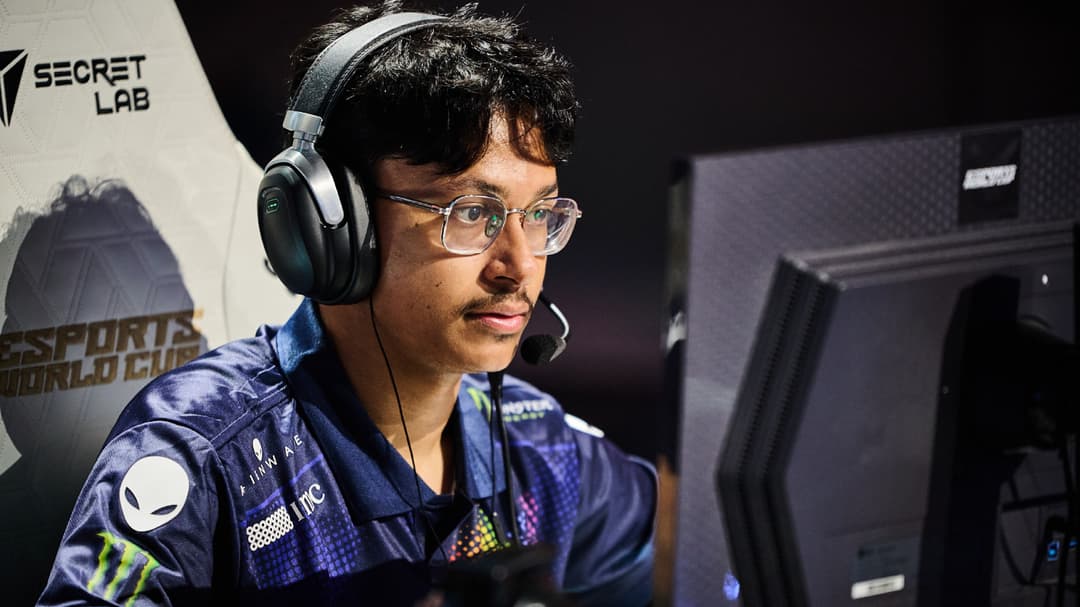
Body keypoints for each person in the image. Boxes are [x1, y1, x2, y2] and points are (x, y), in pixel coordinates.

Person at [38, 2, 656, 605]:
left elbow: (695, 552)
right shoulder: (205, 454)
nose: (520, 265)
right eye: (472, 213)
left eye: (539, 214)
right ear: (332, 222)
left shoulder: (538, 442)